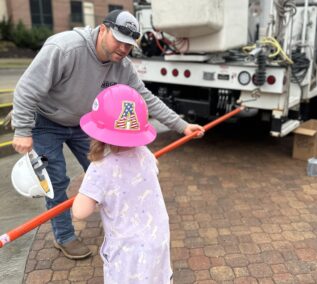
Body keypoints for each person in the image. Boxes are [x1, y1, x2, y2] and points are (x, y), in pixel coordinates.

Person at [11, 9, 204, 259]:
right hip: (47, 121)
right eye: (119, 40)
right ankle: (64, 236)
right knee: (56, 181)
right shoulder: (65, 49)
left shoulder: (122, 66)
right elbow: (27, 90)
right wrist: (23, 130)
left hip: (85, 122)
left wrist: (181, 125)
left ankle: (116, 222)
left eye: (129, 45)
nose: (123, 49)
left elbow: (145, 99)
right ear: (103, 29)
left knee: (108, 168)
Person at [72, 84, 172, 283]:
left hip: (127, 249)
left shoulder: (99, 168)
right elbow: (155, 166)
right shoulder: (145, 152)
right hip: (157, 237)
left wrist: (87, 191)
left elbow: (80, 211)